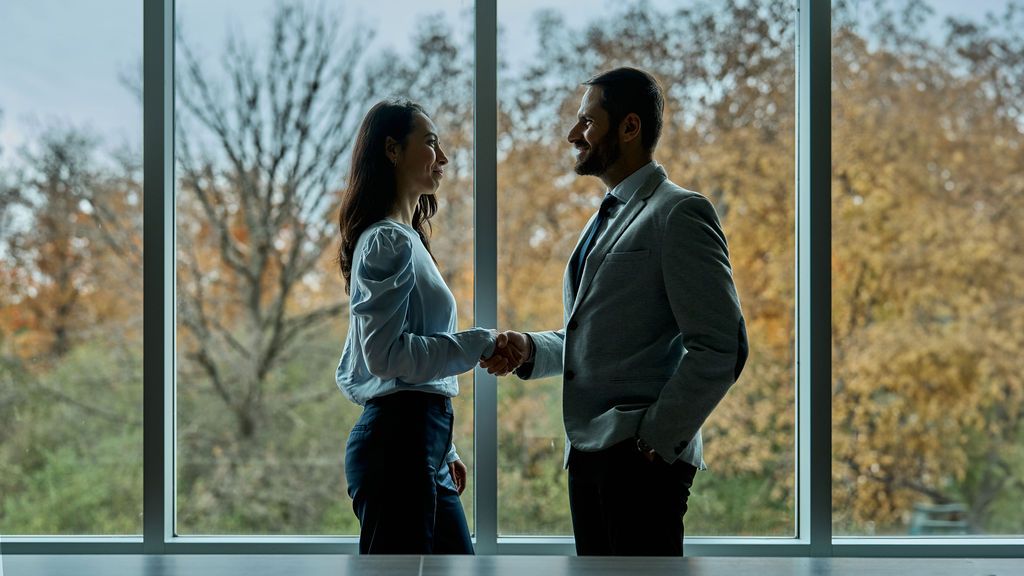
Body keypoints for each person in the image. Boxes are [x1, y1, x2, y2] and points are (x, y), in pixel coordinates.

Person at [480, 67, 749, 556]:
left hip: (639, 462)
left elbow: (722, 346)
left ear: (629, 127)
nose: (572, 135)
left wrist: (655, 441)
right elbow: (597, 336)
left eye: (586, 122)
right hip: (589, 456)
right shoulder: (608, 215)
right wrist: (529, 349)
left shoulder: (679, 212)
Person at [336, 99, 498, 555]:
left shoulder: (404, 239)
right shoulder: (386, 239)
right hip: (398, 450)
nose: (443, 157)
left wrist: (443, 449)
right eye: (430, 143)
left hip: (420, 447)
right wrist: (479, 345)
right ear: (391, 150)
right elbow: (384, 359)